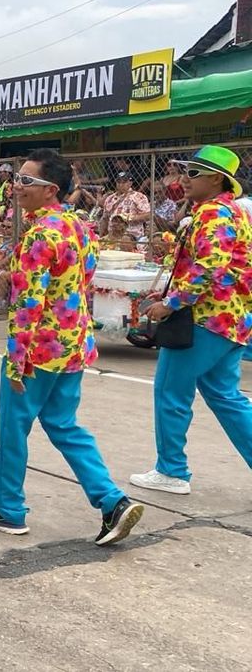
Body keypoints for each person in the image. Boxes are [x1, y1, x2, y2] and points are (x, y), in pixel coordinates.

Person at [0, 148, 144, 546]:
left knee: (14, 428)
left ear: (51, 191)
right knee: (64, 425)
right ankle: (112, 501)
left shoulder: (39, 236)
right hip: (73, 344)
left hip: (37, 350)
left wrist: (16, 360)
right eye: (18, 178)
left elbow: (28, 303)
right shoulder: (79, 227)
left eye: (26, 181)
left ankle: (9, 510)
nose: (17, 186)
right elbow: (82, 280)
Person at [132, 146, 252, 495]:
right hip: (231, 321)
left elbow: (210, 267)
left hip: (205, 320)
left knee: (170, 390)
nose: (183, 179)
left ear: (217, 179)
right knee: (225, 396)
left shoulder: (213, 213)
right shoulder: (231, 212)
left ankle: (172, 471)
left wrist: (171, 303)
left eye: (193, 173)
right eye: (185, 170)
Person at [101, 172, 151, 238]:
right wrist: (102, 235)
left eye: (124, 182)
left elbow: (148, 215)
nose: (121, 184)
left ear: (130, 183)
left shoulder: (139, 196)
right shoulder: (110, 198)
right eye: (118, 181)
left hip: (131, 235)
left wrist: (129, 218)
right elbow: (105, 218)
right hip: (112, 235)